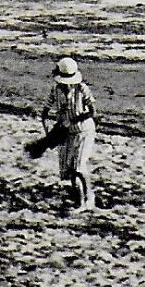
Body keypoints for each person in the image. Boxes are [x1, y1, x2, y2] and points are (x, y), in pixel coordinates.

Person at [43, 57, 97, 211]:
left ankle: (88, 198)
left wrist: (72, 120)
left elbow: (93, 112)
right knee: (68, 168)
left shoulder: (81, 88)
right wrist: (49, 132)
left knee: (79, 166)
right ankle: (79, 200)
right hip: (66, 133)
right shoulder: (56, 89)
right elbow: (45, 112)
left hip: (84, 131)